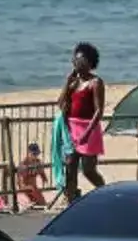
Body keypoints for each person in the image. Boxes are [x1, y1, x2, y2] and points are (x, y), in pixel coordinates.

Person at [59, 43, 108, 203]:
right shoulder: (74, 82)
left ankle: (106, 193)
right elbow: (60, 103)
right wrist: (67, 83)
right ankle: (71, 201)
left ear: (89, 62)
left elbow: (98, 111)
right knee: (70, 167)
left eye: (80, 60)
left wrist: (86, 134)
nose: (76, 62)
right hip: (71, 128)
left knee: (88, 170)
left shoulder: (96, 82)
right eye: (75, 59)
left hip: (89, 129)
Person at [14, 143, 49, 211]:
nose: (36, 156)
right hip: (25, 186)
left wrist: (44, 179)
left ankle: (35, 203)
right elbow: (21, 181)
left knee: (42, 202)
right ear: (29, 153)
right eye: (34, 154)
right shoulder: (24, 163)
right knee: (36, 194)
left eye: (37, 154)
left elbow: (42, 173)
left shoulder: (37, 162)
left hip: (33, 187)